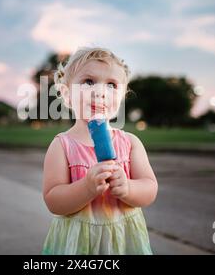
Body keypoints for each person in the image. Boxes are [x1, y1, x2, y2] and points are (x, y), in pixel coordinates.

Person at [42, 47, 158, 254]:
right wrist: (86, 187)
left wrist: (128, 188)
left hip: (124, 241)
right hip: (79, 243)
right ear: (66, 95)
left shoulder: (131, 143)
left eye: (112, 85)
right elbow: (53, 200)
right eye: (88, 82)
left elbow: (149, 189)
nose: (100, 92)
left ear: (122, 97)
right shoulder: (62, 146)